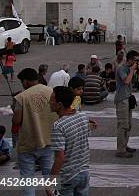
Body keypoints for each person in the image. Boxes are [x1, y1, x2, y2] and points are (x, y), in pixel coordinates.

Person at [13, 68, 56, 196]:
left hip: (28, 143)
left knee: (27, 178)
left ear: (25, 81)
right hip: (49, 140)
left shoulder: (21, 97)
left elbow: (16, 120)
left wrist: (13, 107)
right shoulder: (51, 92)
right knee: (50, 175)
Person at [49, 86, 90, 195]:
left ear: (60, 105)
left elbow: (60, 157)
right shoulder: (83, 116)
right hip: (84, 172)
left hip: (68, 177)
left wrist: (51, 183)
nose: (49, 102)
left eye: (52, 100)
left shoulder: (58, 126)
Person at [114, 50, 138, 158]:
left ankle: (124, 145)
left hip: (128, 97)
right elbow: (126, 81)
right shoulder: (121, 68)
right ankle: (120, 150)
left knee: (129, 124)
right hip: (122, 99)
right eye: (135, 60)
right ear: (131, 60)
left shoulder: (128, 68)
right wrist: (132, 70)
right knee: (123, 125)